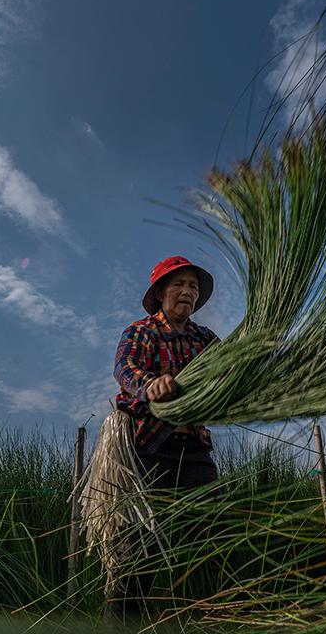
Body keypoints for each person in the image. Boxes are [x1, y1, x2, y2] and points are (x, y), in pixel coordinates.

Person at [105, 254, 220, 619]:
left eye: (193, 287)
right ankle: (120, 622)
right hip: (149, 448)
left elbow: (229, 367)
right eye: (179, 285)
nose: (187, 292)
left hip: (194, 448)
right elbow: (125, 369)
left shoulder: (205, 339)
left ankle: (213, 615)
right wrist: (150, 384)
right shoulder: (141, 331)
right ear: (160, 293)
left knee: (217, 529)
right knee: (138, 546)